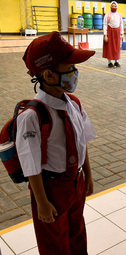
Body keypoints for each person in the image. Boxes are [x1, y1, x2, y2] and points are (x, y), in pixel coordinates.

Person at [18, 31, 96, 254]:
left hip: (75, 181)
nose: (75, 72)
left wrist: (87, 175)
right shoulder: (32, 116)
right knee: (54, 243)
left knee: (77, 232)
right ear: (49, 76)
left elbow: (82, 142)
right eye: (70, 67)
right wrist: (42, 202)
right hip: (50, 189)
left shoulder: (74, 103)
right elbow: (31, 165)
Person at [103, 1, 124, 68]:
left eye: (115, 6)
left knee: (117, 47)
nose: (114, 7)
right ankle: (109, 62)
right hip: (110, 32)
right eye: (113, 6)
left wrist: (122, 33)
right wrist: (105, 35)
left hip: (117, 32)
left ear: (117, 7)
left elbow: (121, 24)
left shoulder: (119, 15)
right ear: (110, 7)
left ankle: (116, 61)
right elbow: (105, 25)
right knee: (110, 47)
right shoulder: (107, 15)